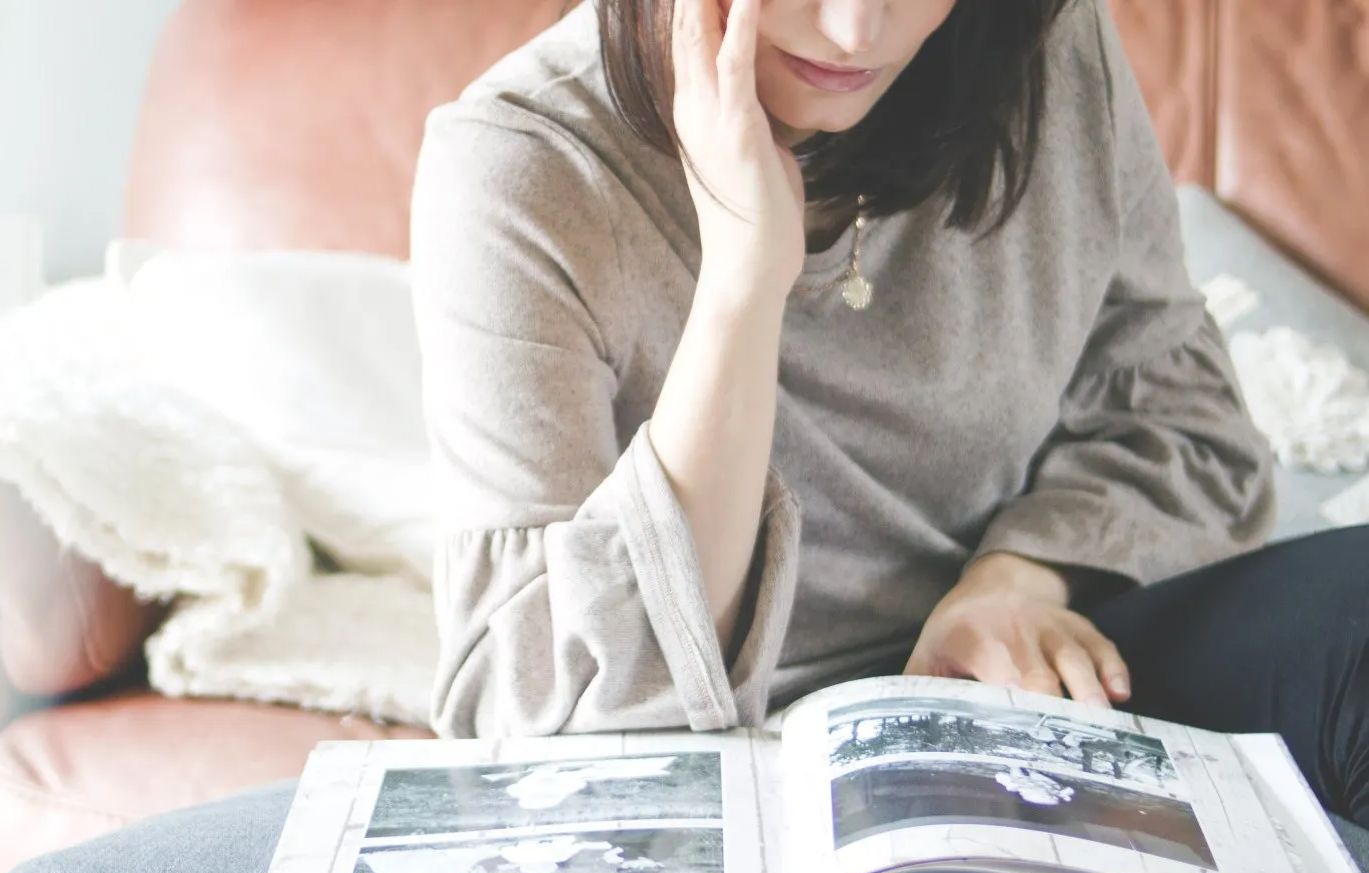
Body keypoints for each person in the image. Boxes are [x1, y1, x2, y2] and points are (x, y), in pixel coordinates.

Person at [409, 0, 1369, 827]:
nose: (856, 31)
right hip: (749, 767)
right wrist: (744, 278)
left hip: (1036, 668)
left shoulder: (1034, 42)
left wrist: (1012, 584)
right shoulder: (522, 167)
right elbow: (542, 722)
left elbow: (1184, 418)